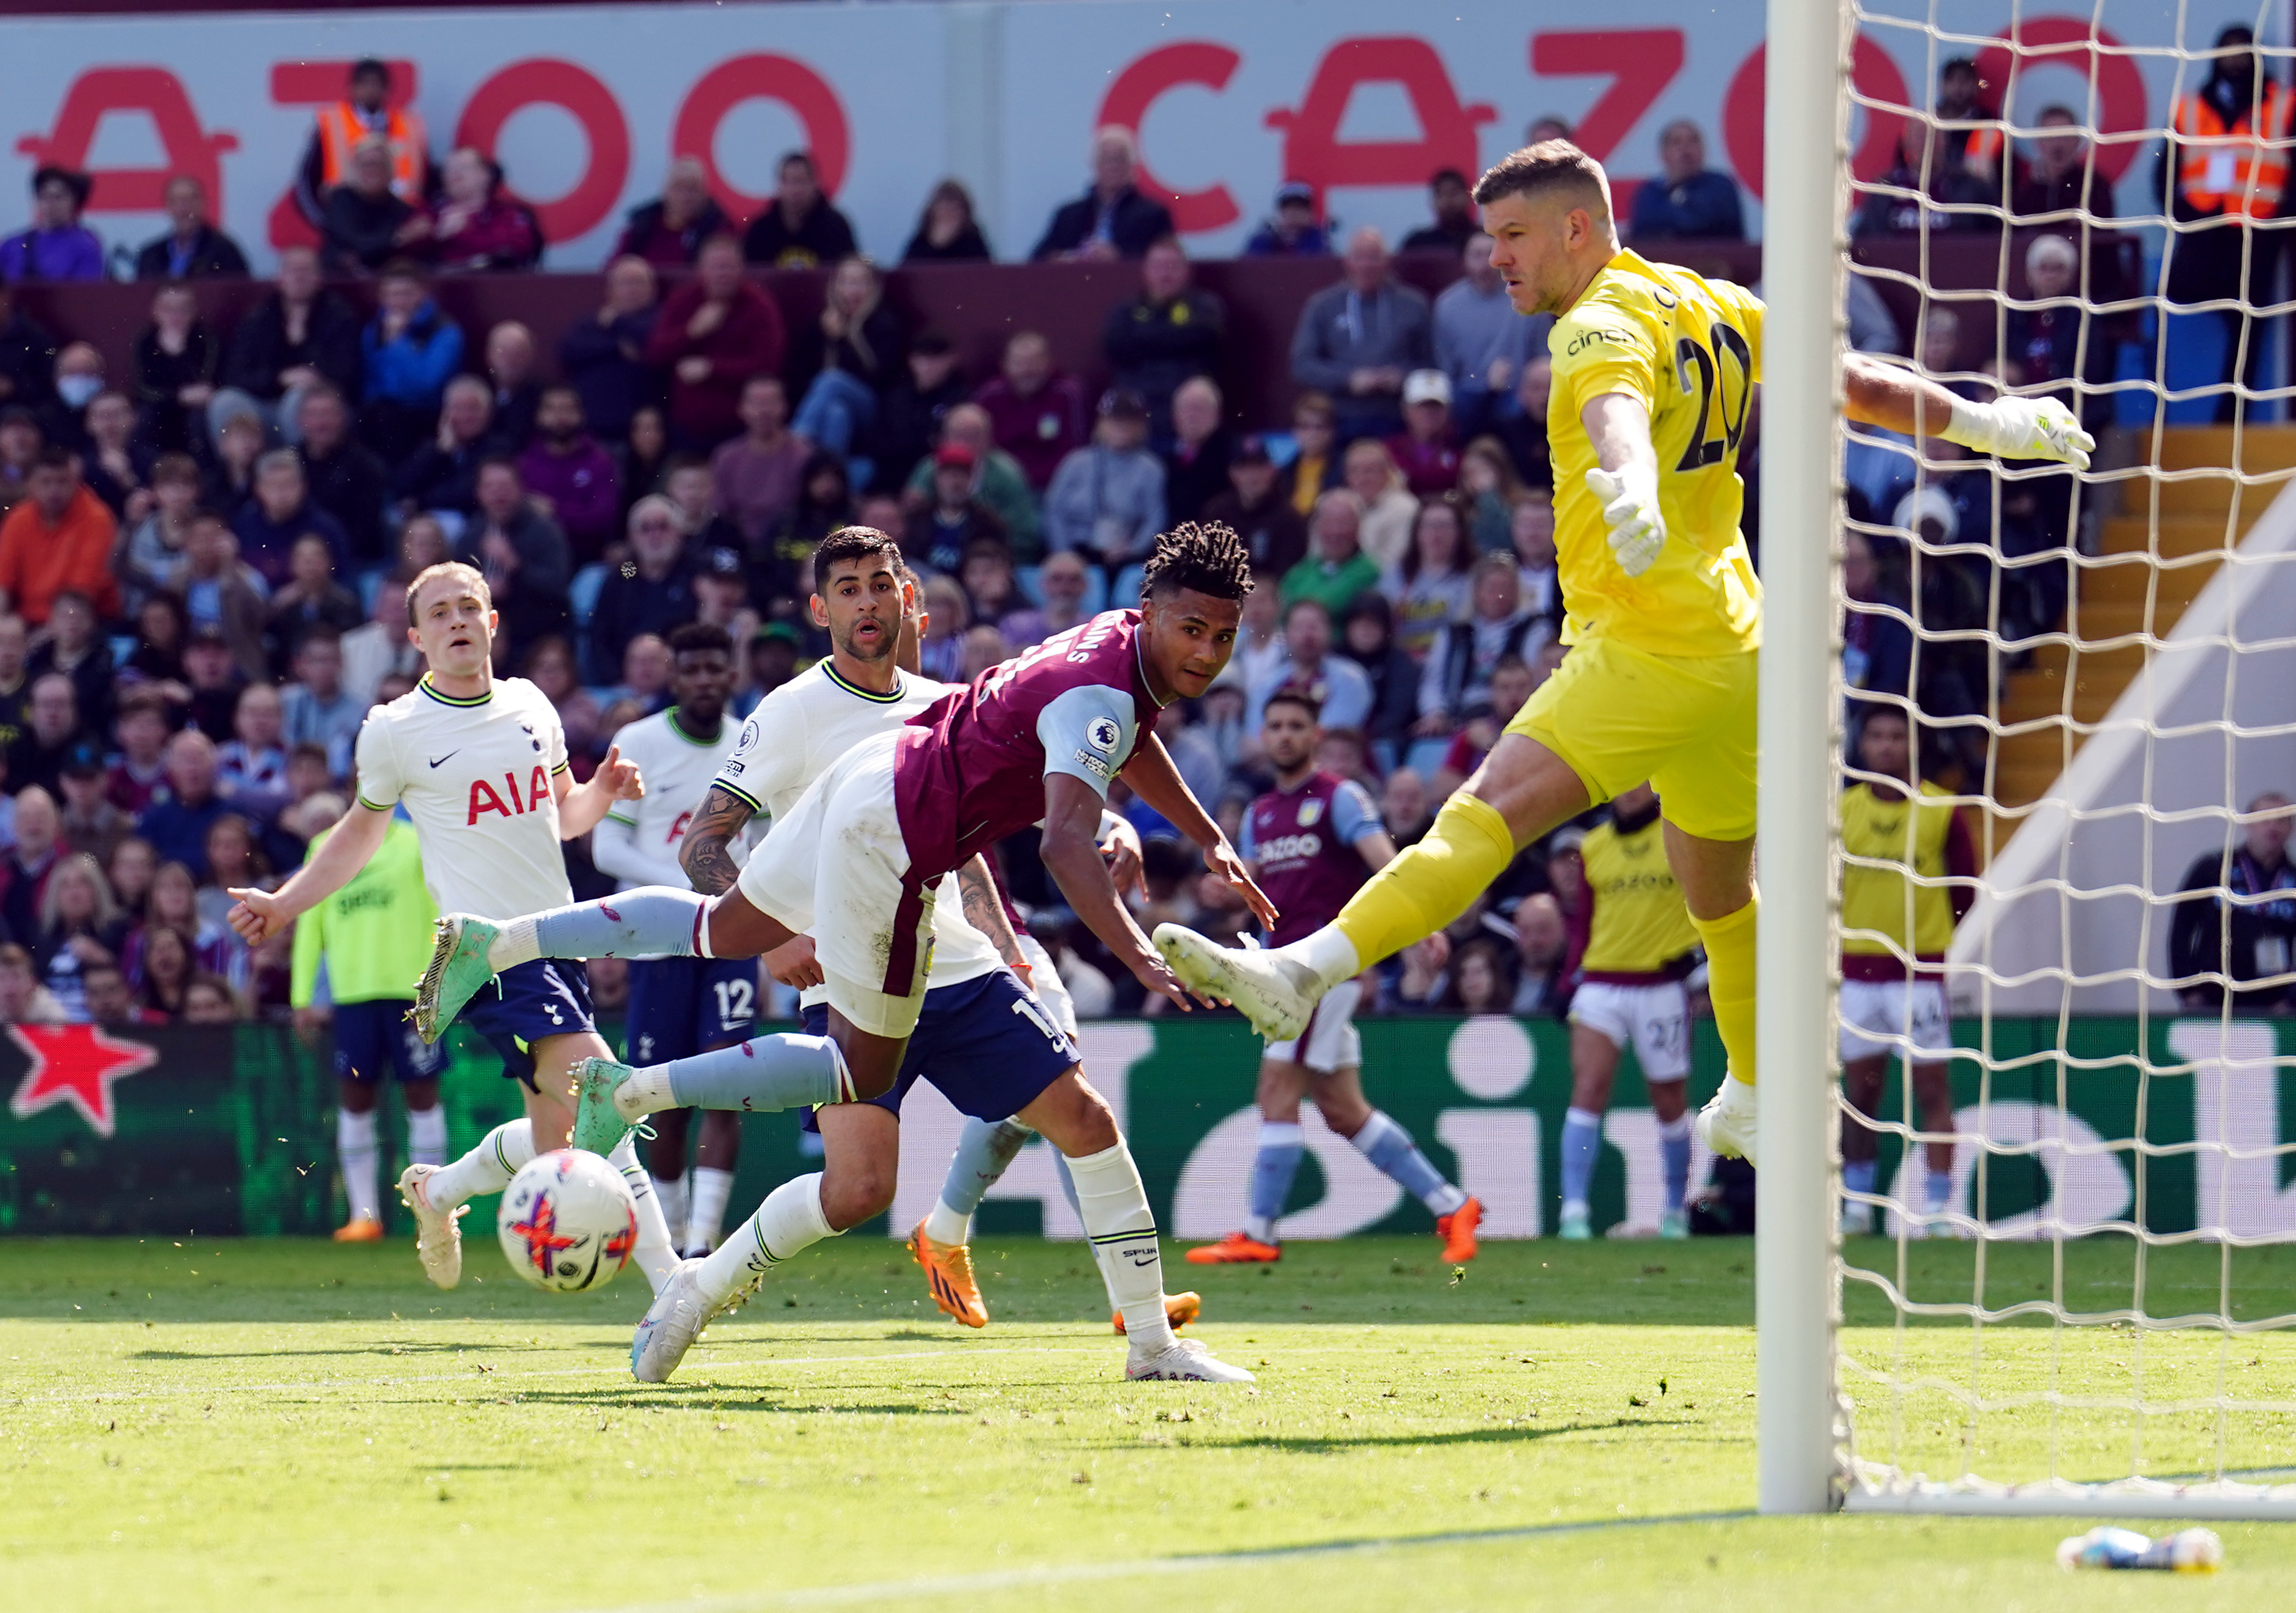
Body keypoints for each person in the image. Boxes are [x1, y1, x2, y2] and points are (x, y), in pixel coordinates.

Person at [1151, 139, 2092, 1171]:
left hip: (1648, 643)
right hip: (1743, 651)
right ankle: (1754, 1086)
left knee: (1480, 818)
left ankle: (1303, 971)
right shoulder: (1713, 301)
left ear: (1576, 228)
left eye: (1512, 237)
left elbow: (1615, 416)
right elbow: (1856, 382)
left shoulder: (1593, 323)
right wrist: (1991, 424)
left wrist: (1633, 489)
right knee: (1720, 899)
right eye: (1487, 238)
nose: (1497, 260)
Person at [416, 525, 1259, 1384]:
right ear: (821, 608)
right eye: (848, 589)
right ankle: (632, 1099)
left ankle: (509, 949)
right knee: (836, 1078)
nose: (868, 603)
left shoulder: (976, 686)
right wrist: (1134, 949)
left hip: (947, 948)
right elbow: (708, 843)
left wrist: (1072, 878)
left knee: (1059, 1126)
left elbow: (1050, 771)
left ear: (909, 601)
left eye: (880, 586)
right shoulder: (791, 710)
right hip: (867, 904)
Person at [224, 560, 684, 1297]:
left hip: (557, 944)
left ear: (493, 622)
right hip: (490, 954)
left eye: (469, 607)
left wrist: (600, 792)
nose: (457, 620)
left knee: (559, 1135)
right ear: (415, 637)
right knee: (606, 1090)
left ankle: (437, 1194)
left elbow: (562, 817)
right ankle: (674, 1283)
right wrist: (285, 903)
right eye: (439, 613)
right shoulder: (396, 730)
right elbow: (357, 835)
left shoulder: (534, 704)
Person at [1186, 687, 1480, 1264]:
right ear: (1264, 735)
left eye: (1296, 725)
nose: (1285, 735)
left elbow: (1386, 864)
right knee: (1344, 1110)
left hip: (1316, 975)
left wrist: (1419, 923)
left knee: (1275, 1094)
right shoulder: (1260, 815)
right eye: (1275, 726)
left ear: (1315, 736)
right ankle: (1451, 1205)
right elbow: (1256, 892)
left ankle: (1260, 1232)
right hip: (1279, 970)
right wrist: (1224, 894)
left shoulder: (1340, 798)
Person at [583, 623, 750, 1256]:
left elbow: (765, 838)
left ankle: (704, 1244)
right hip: (659, 945)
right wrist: (686, 886)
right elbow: (606, 844)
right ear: (674, 678)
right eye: (694, 670)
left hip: (732, 938)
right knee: (666, 1101)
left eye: (716, 668)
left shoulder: (753, 742)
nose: (706, 680)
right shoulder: (638, 743)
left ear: (731, 675)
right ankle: (674, 1238)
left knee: (728, 1087)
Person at [1836, 706, 1976, 1238]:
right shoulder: (1840, 810)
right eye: (1877, 735)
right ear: (1862, 744)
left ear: (1912, 745)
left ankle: (1938, 1208)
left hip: (1919, 977)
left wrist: (1934, 944)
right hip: (1853, 979)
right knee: (1861, 1093)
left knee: (1932, 1090)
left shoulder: (1942, 810)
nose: (1887, 746)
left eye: (1897, 736)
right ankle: (1856, 1204)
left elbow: (1965, 888)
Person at [1550, 782, 1701, 1240]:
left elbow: (1710, 900)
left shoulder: (1680, 835)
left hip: (1659, 985)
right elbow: (1582, 926)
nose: (1629, 790)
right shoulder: (1593, 846)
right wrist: (1566, 979)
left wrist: (1695, 958)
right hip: (1601, 983)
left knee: (1669, 1100)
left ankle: (1674, 1211)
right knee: (1589, 1089)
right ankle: (1572, 1213)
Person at [288, 798, 444, 1240]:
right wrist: (302, 996)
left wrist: (437, 987)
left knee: (422, 1095)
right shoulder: (324, 846)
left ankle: (431, 1213)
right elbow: (310, 919)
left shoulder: (416, 843)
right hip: (352, 995)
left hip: (412, 996)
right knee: (356, 1098)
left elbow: (442, 913)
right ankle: (364, 1216)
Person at [2162, 24, 2291, 423]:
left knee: (2249, 322)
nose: (2234, 59)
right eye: (2227, 51)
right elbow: (2166, 167)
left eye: (2242, 51)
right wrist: (2182, 211)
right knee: (2178, 289)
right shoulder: (2189, 105)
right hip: (2204, 226)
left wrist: (2283, 217)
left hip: (2259, 230)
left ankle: (2232, 414)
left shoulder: (2283, 103)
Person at [1291, 229, 1434, 442]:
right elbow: (1302, 364)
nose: (1367, 266)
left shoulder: (1414, 304)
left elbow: (1433, 361)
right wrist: (1349, 379)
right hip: (1339, 418)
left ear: (1387, 262)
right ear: (1347, 262)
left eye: (1374, 258)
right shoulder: (1322, 305)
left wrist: (1403, 377)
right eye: (1360, 257)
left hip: (1399, 416)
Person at [645, 235, 785, 450]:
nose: (722, 275)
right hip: (686, 425)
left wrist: (712, 369)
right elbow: (656, 353)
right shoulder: (683, 300)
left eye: (729, 268)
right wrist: (692, 332)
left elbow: (768, 365)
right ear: (701, 270)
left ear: (741, 269)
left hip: (739, 426)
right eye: (716, 268)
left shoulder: (759, 306)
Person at [216, 247, 363, 449]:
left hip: (323, 407)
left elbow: (347, 373)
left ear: (318, 277)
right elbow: (236, 374)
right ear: (280, 277)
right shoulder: (259, 317)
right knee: (225, 401)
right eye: (293, 270)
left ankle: (299, 471)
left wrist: (313, 379)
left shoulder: (338, 316)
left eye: (305, 270)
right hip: (267, 407)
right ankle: (237, 476)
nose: (299, 277)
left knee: (298, 398)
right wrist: (280, 379)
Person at [2169, 788, 2296, 1014]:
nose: (2273, 827)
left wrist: (2292, 998)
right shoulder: (2213, 869)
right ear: (2248, 823)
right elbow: (2181, 930)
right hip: (2212, 996)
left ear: (2291, 827)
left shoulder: (2293, 878)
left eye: (2282, 820)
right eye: (2265, 819)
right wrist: (2187, 990)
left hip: (2274, 1003)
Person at [1101, 237, 1225, 440]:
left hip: (1186, 412)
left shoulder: (1205, 306)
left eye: (1172, 267)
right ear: (1146, 271)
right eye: (1158, 267)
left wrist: (1143, 338)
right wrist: (1175, 339)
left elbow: (1205, 338)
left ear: (1186, 271)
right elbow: (1114, 345)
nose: (1165, 275)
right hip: (1138, 410)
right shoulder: (1126, 310)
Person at [787, 255, 906, 463]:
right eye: (846, 282)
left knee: (832, 380)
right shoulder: (821, 323)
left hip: (873, 407)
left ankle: (795, 442)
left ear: (874, 287)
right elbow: (802, 374)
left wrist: (843, 340)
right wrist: (828, 338)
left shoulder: (885, 321)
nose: (853, 291)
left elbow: (879, 374)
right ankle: (828, 476)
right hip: (833, 408)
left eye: (860, 283)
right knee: (837, 414)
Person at [1043, 390, 1165, 590]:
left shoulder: (1150, 469)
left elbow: (1155, 518)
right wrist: (1064, 553)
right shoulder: (1075, 462)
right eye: (1114, 420)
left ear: (1140, 426)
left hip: (1123, 557)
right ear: (1101, 423)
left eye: (1128, 421)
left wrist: (1132, 548)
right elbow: (1054, 511)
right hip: (1075, 550)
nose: (1121, 427)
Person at [294, 56, 428, 233]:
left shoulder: (409, 126)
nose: (370, 90)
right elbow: (306, 181)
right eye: (364, 84)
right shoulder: (333, 125)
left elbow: (427, 178)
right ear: (352, 88)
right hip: (349, 224)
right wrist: (327, 225)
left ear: (387, 89)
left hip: (400, 224)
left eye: (377, 84)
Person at [457, 458, 570, 667]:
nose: (498, 494)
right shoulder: (471, 536)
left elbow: (557, 588)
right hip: (483, 636)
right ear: (479, 493)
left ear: (520, 488)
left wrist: (516, 567)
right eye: (490, 487)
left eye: (505, 486)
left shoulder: (545, 531)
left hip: (533, 636)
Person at [1436, 232, 1548, 443]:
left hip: (1518, 392)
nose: (1485, 264)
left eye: (1490, 254)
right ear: (1464, 261)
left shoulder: (1531, 299)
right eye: (1476, 255)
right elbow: (1445, 369)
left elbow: (1544, 359)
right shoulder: (1447, 306)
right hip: (1469, 392)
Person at [359, 262, 464, 464]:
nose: (397, 302)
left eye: (405, 294)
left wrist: (399, 343)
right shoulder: (373, 331)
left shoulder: (445, 331)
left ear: (421, 293)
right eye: (391, 295)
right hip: (380, 416)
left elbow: (426, 385)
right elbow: (368, 381)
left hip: (425, 416)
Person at [0, 447, 119, 624]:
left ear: (76, 482)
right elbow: (4, 584)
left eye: (62, 482)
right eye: (45, 482)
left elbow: (82, 592)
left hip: (85, 621)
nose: (54, 491)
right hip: (27, 621)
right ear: (30, 484)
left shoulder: (97, 518)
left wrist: (46, 638)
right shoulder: (18, 519)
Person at [590, 495, 695, 681]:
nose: (654, 536)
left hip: (683, 681)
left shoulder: (696, 573)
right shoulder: (622, 575)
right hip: (624, 687)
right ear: (632, 538)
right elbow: (600, 638)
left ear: (680, 532)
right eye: (645, 529)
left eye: (663, 527)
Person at [1032, 126, 1175, 261]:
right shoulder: (1068, 215)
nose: (1114, 166)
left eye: (1120, 159)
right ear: (1094, 165)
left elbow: (1165, 262)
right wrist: (1068, 258)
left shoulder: (1153, 214)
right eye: (1106, 159)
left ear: (1132, 165)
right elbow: (1038, 260)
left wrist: (1118, 256)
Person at [559, 255, 661, 444]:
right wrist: (616, 347)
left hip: (639, 433)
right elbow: (568, 351)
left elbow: (648, 341)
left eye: (638, 283)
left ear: (653, 289)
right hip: (588, 430)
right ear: (610, 290)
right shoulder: (591, 323)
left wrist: (616, 322)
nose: (631, 290)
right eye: (624, 284)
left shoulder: (660, 321)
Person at [972, 331, 1087, 492]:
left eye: (1034, 362)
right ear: (1004, 365)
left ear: (1049, 364)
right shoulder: (990, 395)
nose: (1027, 371)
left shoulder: (1066, 394)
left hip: (1049, 486)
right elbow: (978, 447)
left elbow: (1074, 452)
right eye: (1019, 363)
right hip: (1000, 486)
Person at [515, 385, 618, 561]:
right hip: (533, 558)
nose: (559, 417)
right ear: (539, 416)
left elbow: (603, 519)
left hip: (587, 556)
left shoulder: (600, 462)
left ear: (581, 415)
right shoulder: (525, 463)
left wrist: (555, 511)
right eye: (551, 409)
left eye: (567, 409)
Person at [1250, 594, 1373, 734]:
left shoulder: (1351, 679)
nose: (1307, 636)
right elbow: (1252, 740)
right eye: (1299, 627)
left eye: (1314, 627)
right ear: (1285, 634)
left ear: (1330, 631)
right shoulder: (1267, 684)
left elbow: (1333, 735)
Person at [293, 386, 390, 565]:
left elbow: (364, 533)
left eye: (328, 414)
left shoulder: (366, 466)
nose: (321, 423)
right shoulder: (291, 462)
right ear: (300, 421)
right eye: (313, 415)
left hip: (352, 562)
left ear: (343, 418)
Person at [233, 450, 350, 590]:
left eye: (288, 484)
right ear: (259, 489)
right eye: (273, 485)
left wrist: (302, 592)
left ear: (303, 486)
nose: (281, 494)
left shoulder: (325, 528)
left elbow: (344, 582)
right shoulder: (244, 524)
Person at [1200, 433, 1307, 577]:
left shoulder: (1288, 519)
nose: (1252, 477)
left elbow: (1287, 574)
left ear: (1272, 471)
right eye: (1244, 469)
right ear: (1233, 473)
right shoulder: (1217, 512)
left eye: (1259, 467)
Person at [419, 147, 541, 272]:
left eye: (464, 167)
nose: (455, 174)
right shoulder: (430, 212)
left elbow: (518, 249)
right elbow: (404, 248)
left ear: (485, 175)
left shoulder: (509, 214)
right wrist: (435, 235)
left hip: (494, 283)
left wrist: (465, 234)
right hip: (437, 284)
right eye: (448, 169)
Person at [392, 375, 499, 518]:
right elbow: (400, 486)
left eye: (473, 408)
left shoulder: (497, 448)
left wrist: (420, 503)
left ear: (488, 413)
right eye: (458, 408)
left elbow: (466, 494)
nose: (465, 416)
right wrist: (439, 451)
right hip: (426, 520)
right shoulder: (433, 447)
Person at [1627, 120, 1746, 242]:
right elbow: (1642, 230)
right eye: (1676, 142)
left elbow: (1696, 222)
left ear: (1703, 150)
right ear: (1664, 153)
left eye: (1692, 141)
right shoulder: (1649, 192)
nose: (1685, 149)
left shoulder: (1721, 186)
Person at [321, 136, 425, 275]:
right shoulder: (340, 200)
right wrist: (396, 238)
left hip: (387, 281)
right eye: (365, 165)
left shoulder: (402, 210)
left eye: (377, 164)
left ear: (390, 170)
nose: (371, 171)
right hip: (342, 281)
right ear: (355, 169)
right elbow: (355, 242)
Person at [743, 151, 857, 270]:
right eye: (787, 182)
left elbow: (851, 271)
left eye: (800, 181)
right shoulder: (761, 229)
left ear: (815, 184)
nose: (794, 190)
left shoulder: (835, 226)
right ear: (778, 185)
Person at [1281, 489, 1381, 619]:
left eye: (1343, 523)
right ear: (1317, 526)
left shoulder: (1370, 572)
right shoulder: (1299, 574)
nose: (1336, 531)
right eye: (1329, 522)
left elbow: (1333, 603)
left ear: (1358, 527)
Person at [133, 176, 249, 280]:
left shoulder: (224, 251)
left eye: (190, 200)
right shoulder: (151, 255)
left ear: (203, 203)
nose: (183, 209)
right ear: (167, 206)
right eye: (176, 201)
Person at [1, 167, 102, 284]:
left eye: (58, 197)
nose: (51, 204)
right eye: (45, 196)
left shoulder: (86, 246)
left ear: (74, 201)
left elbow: (84, 295)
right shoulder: (11, 245)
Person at [1161, 376, 1231, 526]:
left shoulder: (1231, 459)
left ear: (1217, 415)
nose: (1192, 416)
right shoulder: (1163, 462)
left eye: (1200, 409)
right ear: (1175, 417)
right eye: (1186, 409)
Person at [901, 178, 992, 263]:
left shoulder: (973, 239)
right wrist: (935, 245)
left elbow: (985, 271)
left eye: (954, 209)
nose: (949, 215)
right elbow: (908, 272)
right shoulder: (922, 239)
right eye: (944, 209)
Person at [1242, 181, 1333, 257]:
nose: (1293, 213)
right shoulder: (1261, 240)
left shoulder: (1320, 241)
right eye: (1287, 208)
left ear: (1310, 213)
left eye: (1299, 208)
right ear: (1278, 212)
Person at [1400, 169, 1478, 255]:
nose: (1448, 200)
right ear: (1433, 201)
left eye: (1454, 193)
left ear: (1469, 196)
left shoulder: (1485, 238)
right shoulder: (1418, 244)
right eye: (1441, 194)